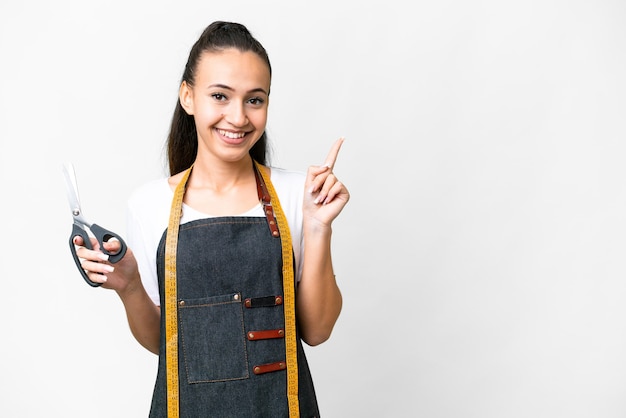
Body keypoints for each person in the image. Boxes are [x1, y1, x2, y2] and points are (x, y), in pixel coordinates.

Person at [74, 21, 349, 417]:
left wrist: (319, 226)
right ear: (188, 96)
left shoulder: (298, 195)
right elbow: (165, 346)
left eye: (255, 100)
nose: (237, 117)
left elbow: (318, 330)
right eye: (220, 96)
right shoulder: (149, 204)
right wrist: (130, 285)